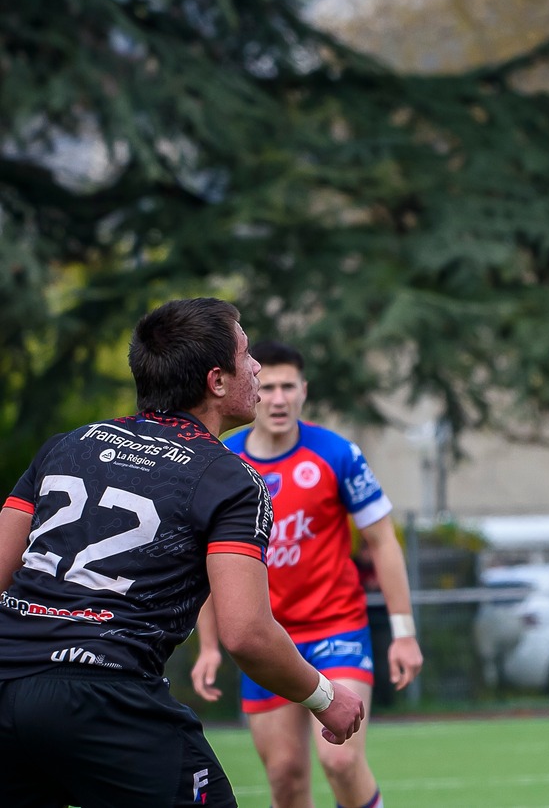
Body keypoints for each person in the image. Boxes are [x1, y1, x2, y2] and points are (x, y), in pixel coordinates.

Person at [0, 298, 364, 808]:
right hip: (107, 695)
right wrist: (325, 697)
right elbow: (248, 633)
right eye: (246, 354)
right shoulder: (230, 480)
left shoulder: (66, 445)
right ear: (217, 381)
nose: (257, 366)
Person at [188, 342, 421, 808]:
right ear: (250, 389)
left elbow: (383, 541)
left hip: (338, 628)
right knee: (286, 777)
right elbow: (207, 562)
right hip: (266, 639)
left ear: (303, 391)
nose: (277, 398)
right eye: (268, 386)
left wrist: (404, 633)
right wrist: (210, 646)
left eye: (288, 387)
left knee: (341, 762)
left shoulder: (337, 455)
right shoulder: (222, 461)